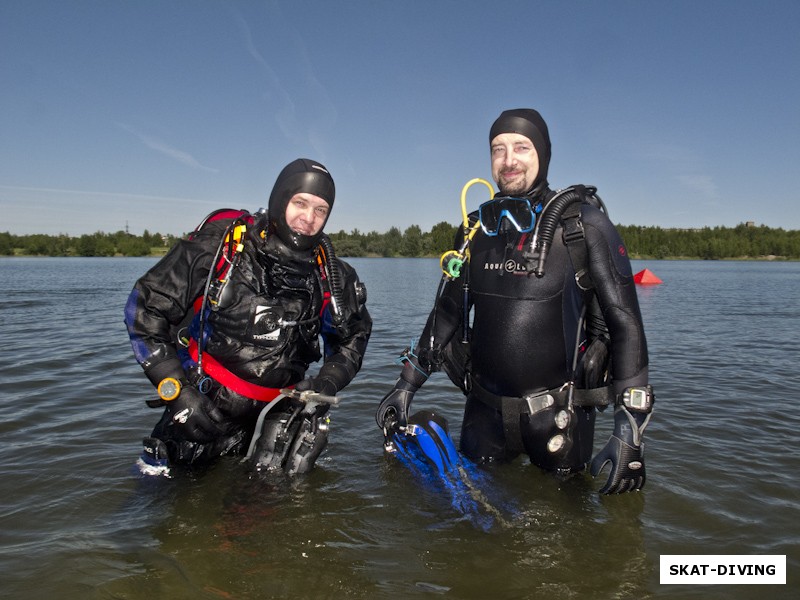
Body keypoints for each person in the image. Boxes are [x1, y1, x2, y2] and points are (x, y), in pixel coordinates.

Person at [376, 109, 653, 494]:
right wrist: (406, 384)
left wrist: (630, 429)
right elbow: (448, 312)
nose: (508, 160)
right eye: (498, 149)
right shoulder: (475, 230)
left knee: (567, 532)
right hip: (483, 413)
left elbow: (625, 324)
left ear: (543, 154)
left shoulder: (582, 226)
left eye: (521, 147)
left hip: (559, 416)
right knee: (471, 536)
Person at [125, 158, 371, 474]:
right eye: (300, 203)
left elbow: (354, 336)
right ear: (281, 199)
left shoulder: (331, 274)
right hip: (202, 411)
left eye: (320, 210)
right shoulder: (222, 247)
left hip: (277, 423)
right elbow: (145, 308)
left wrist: (328, 383)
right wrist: (174, 389)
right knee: (165, 509)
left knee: (265, 514)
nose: (308, 218)